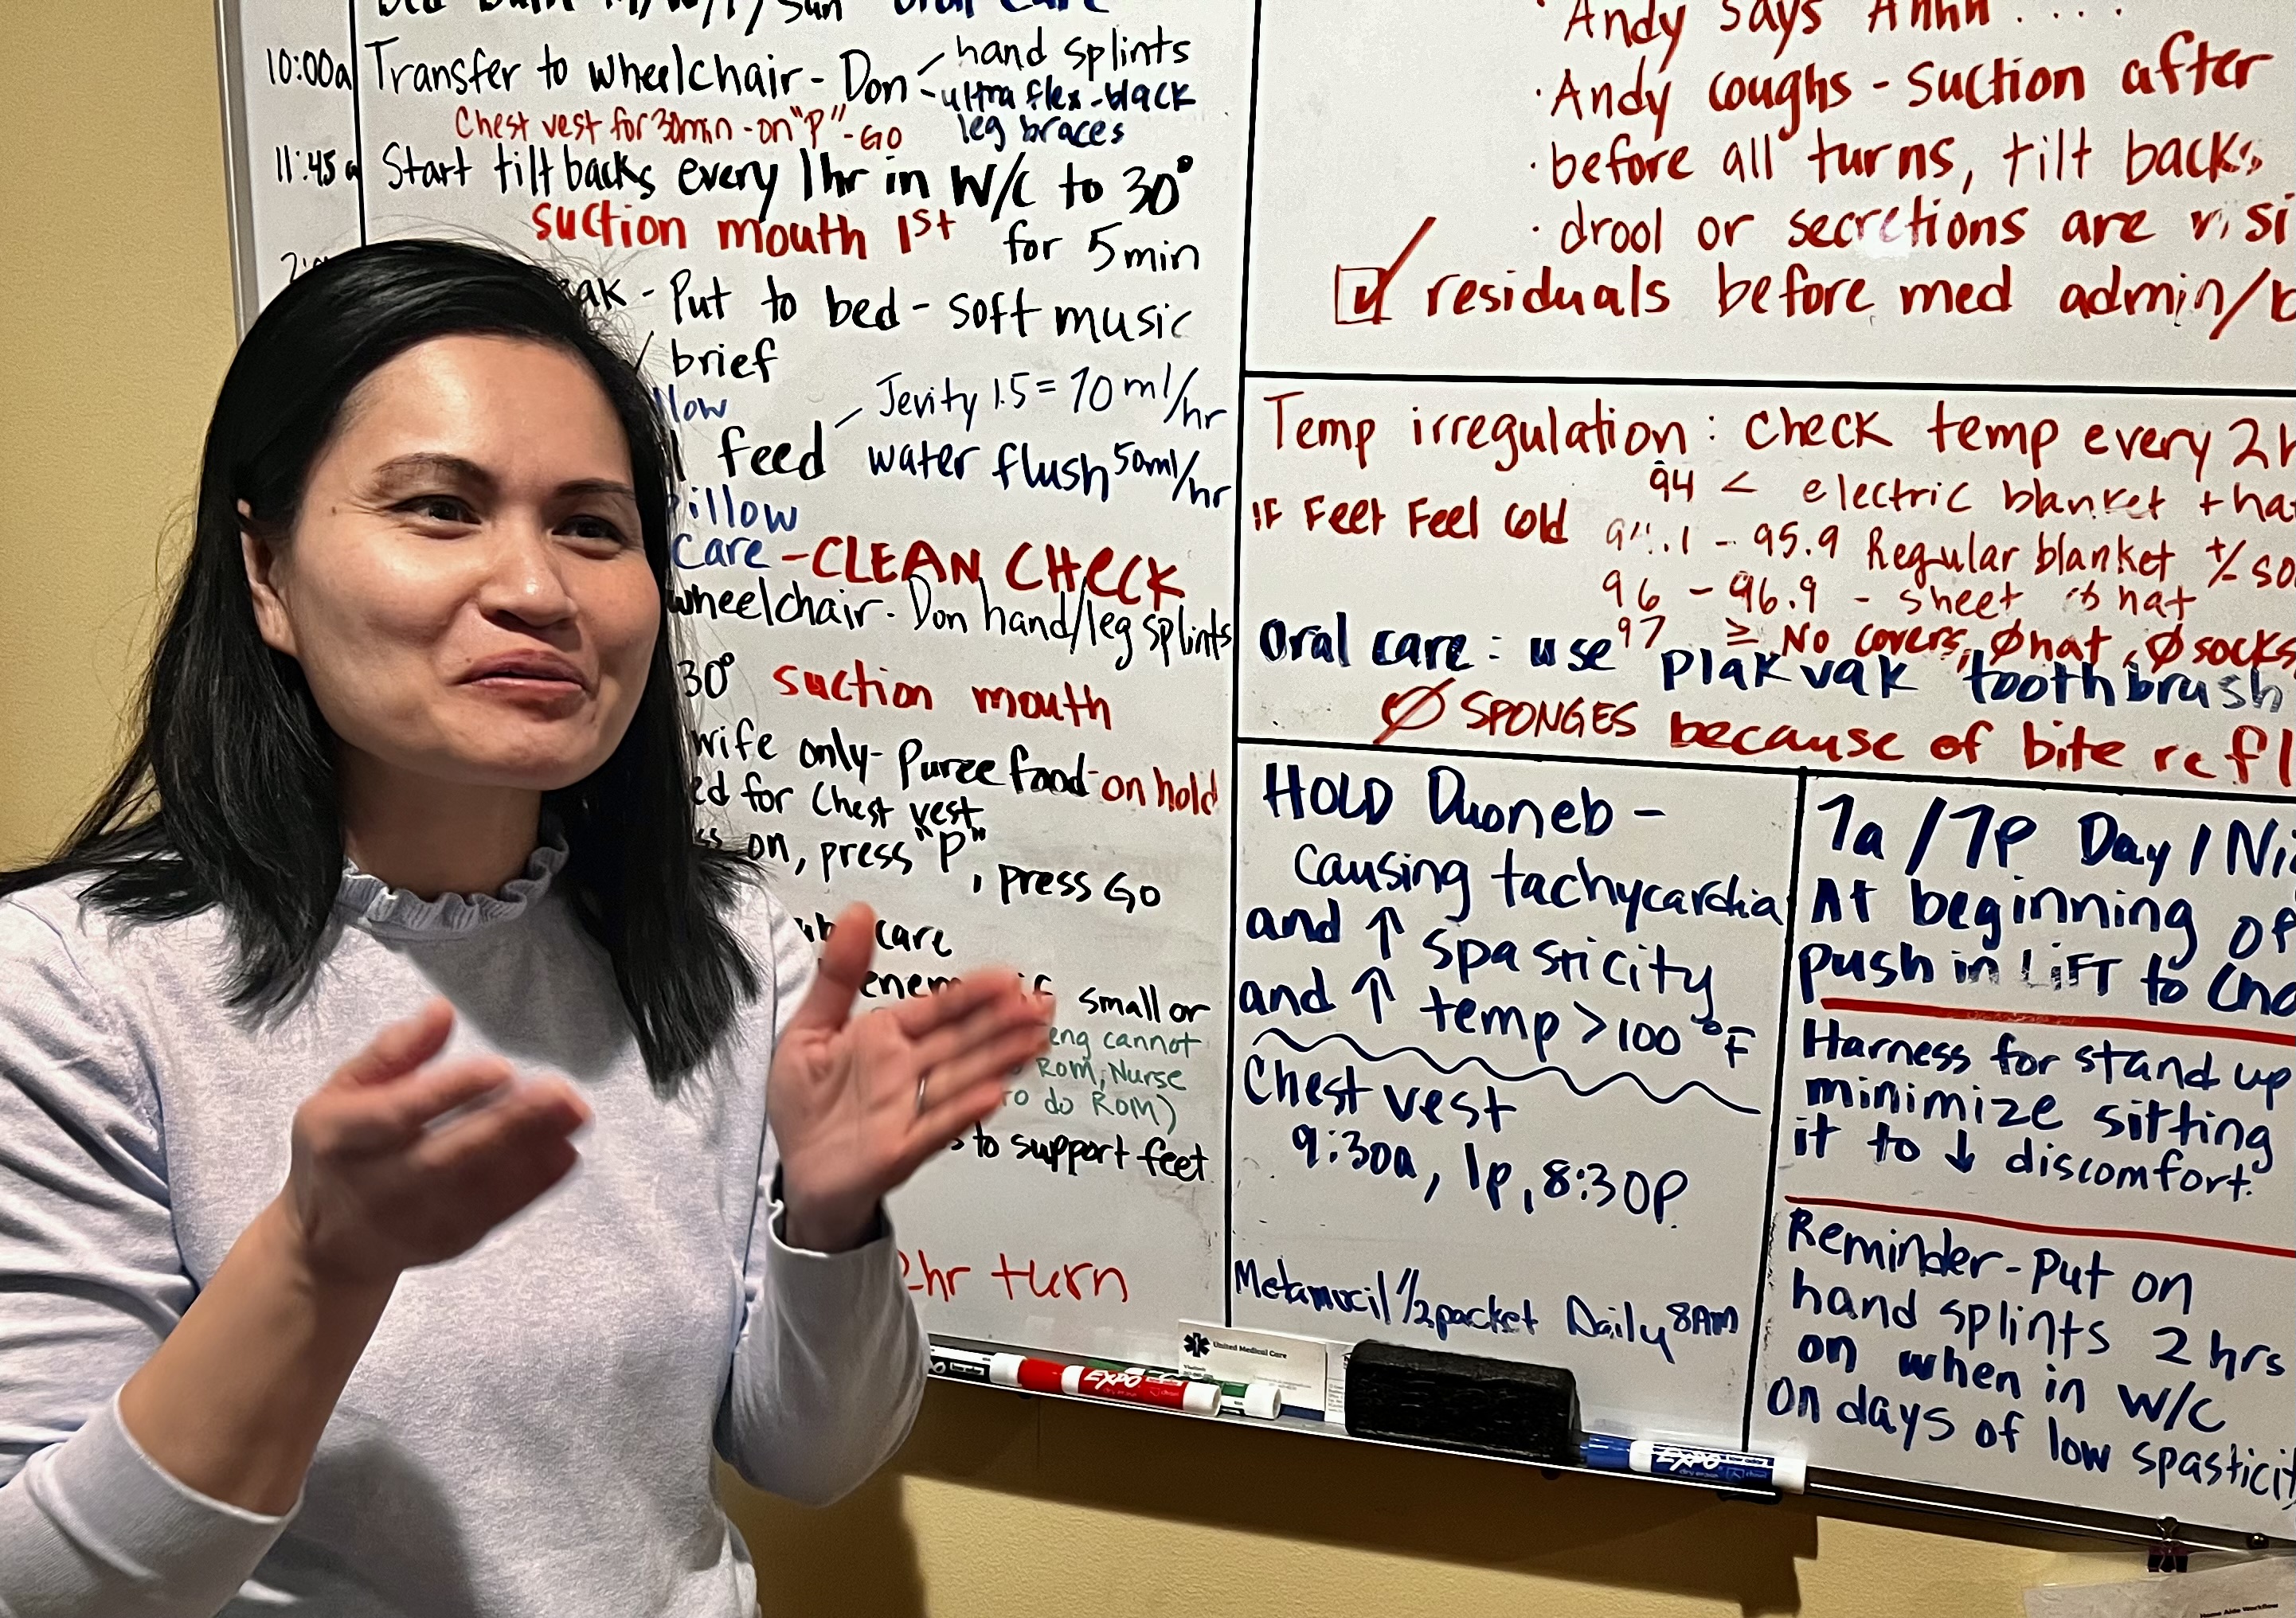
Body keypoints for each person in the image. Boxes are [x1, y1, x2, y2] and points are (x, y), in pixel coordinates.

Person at [0, 238, 1052, 1616]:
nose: (540, 591)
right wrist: (314, 1266)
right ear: (265, 573)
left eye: (592, 527)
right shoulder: (71, 988)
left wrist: (832, 1217)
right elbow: (52, 1594)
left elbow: (815, 1460)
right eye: (440, 508)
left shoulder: (727, 949)